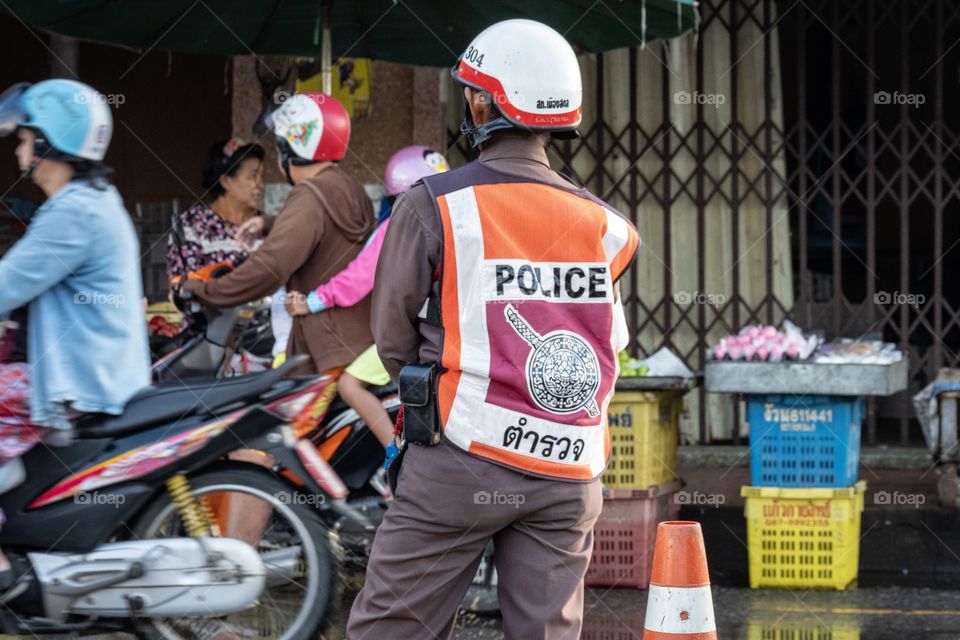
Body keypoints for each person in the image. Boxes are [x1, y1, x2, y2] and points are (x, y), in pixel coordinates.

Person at [346, 19, 640, 640]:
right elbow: (609, 344)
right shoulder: (608, 227)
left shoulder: (433, 204)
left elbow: (392, 339)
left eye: (472, 92)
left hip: (458, 462)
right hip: (569, 473)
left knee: (388, 631)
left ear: (483, 102)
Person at [0, 80, 150, 586]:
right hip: (98, 370)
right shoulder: (92, 200)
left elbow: (6, 286)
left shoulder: (74, 212)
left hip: (79, 382)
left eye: (24, 137)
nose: (19, 148)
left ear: (46, 143)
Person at [184, 93, 375, 376]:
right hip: (360, 344)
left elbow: (269, 268)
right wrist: (269, 224)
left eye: (279, 147)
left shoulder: (309, 195)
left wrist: (204, 291)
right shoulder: (350, 189)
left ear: (290, 149)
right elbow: (324, 231)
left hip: (326, 352)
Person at [284, 146, 450, 447]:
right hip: (444, 336)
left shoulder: (395, 227)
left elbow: (357, 280)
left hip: (412, 335)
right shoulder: (450, 227)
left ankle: (394, 454)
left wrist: (310, 302)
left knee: (349, 385)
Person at [165, 138, 265, 281]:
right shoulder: (192, 225)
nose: (260, 184)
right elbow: (181, 285)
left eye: (261, 175)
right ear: (225, 181)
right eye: (253, 175)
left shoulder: (264, 226)